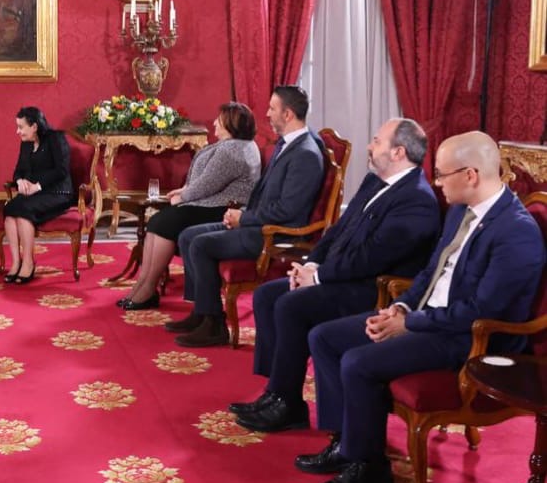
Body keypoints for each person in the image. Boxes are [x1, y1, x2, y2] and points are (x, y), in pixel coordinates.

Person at [301, 131, 545, 483]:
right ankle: (345, 442)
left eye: (442, 174)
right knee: (324, 337)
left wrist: (409, 324)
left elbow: (480, 312)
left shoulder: (516, 232)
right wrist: (400, 307)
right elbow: (431, 273)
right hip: (429, 319)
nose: (436, 182)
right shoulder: (461, 210)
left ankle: (369, 467)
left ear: (470, 175)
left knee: (358, 362)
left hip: (470, 338)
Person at [231, 118, 441, 433]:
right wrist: (311, 265)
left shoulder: (417, 200)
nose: (369, 146)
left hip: (375, 289)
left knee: (291, 305)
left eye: (376, 141)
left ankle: (288, 405)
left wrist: (318, 278)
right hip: (344, 276)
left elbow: (371, 258)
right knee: (267, 295)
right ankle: (277, 391)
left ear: (399, 152)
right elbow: (337, 231)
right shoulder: (374, 181)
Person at [167, 85, 325, 347]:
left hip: (276, 234)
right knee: (187, 236)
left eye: (272, 109)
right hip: (258, 222)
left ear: (287, 114)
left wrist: (244, 219)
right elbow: (265, 195)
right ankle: (201, 313)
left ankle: (214, 325)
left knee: (201, 244)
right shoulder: (289, 144)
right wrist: (242, 213)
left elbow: (288, 211)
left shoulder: (305, 154)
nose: (267, 114)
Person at [115, 102, 262, 310]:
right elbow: (202, 179)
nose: (214, 123)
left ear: (231, 124)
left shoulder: (232, 151)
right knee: (158, 221)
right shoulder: (232, 145)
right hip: (211, 203)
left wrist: (183, 196)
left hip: (223, 209)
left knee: (164, 222)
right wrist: (183, 190)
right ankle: (143, 285)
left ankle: (147, 288)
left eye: (219, 120)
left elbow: (208, 184)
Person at [2, 107, 73, 285]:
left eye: (21, 127)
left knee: (23, 211)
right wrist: (19, 181)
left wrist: (37, 186)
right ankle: (16, 262)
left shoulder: (56, 139)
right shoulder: (26, 143)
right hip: (33, 193)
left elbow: (62, 171)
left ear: (34, 126)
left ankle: (28, 263)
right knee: (9, 210)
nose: (17, 131)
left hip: (57, 193)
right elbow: (18, 170)